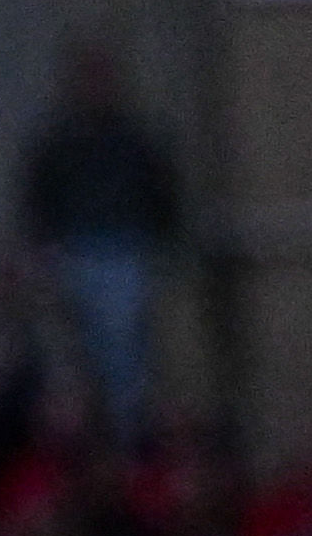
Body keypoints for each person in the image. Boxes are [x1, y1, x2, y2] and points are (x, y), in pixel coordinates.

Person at [15, 41, 187, 429]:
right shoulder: (56, 142)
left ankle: (123, 433)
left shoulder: (137, 139)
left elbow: (163, 197)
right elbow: (37, 200)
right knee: (69, 355)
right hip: (72, 252)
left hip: (125, 252)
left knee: (122, 347)